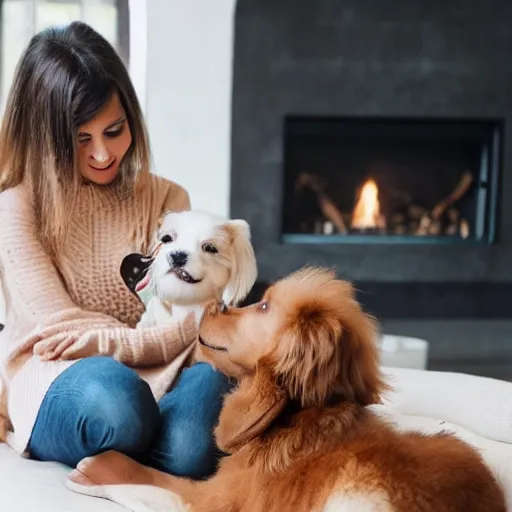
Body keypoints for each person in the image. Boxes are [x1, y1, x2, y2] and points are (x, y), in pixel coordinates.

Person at [0, 21, 231, 479]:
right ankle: (124, 441)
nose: (104, 154)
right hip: (61, 382)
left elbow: (193, 320)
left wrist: (104, 339)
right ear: (47, 138)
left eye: (116, 130)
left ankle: (126, 457)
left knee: (204, 413)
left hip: (159, 377)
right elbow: (60, 338)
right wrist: (141, 339)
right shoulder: (16, 206)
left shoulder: (168, 201)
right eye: (81, 138)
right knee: (116, 403)